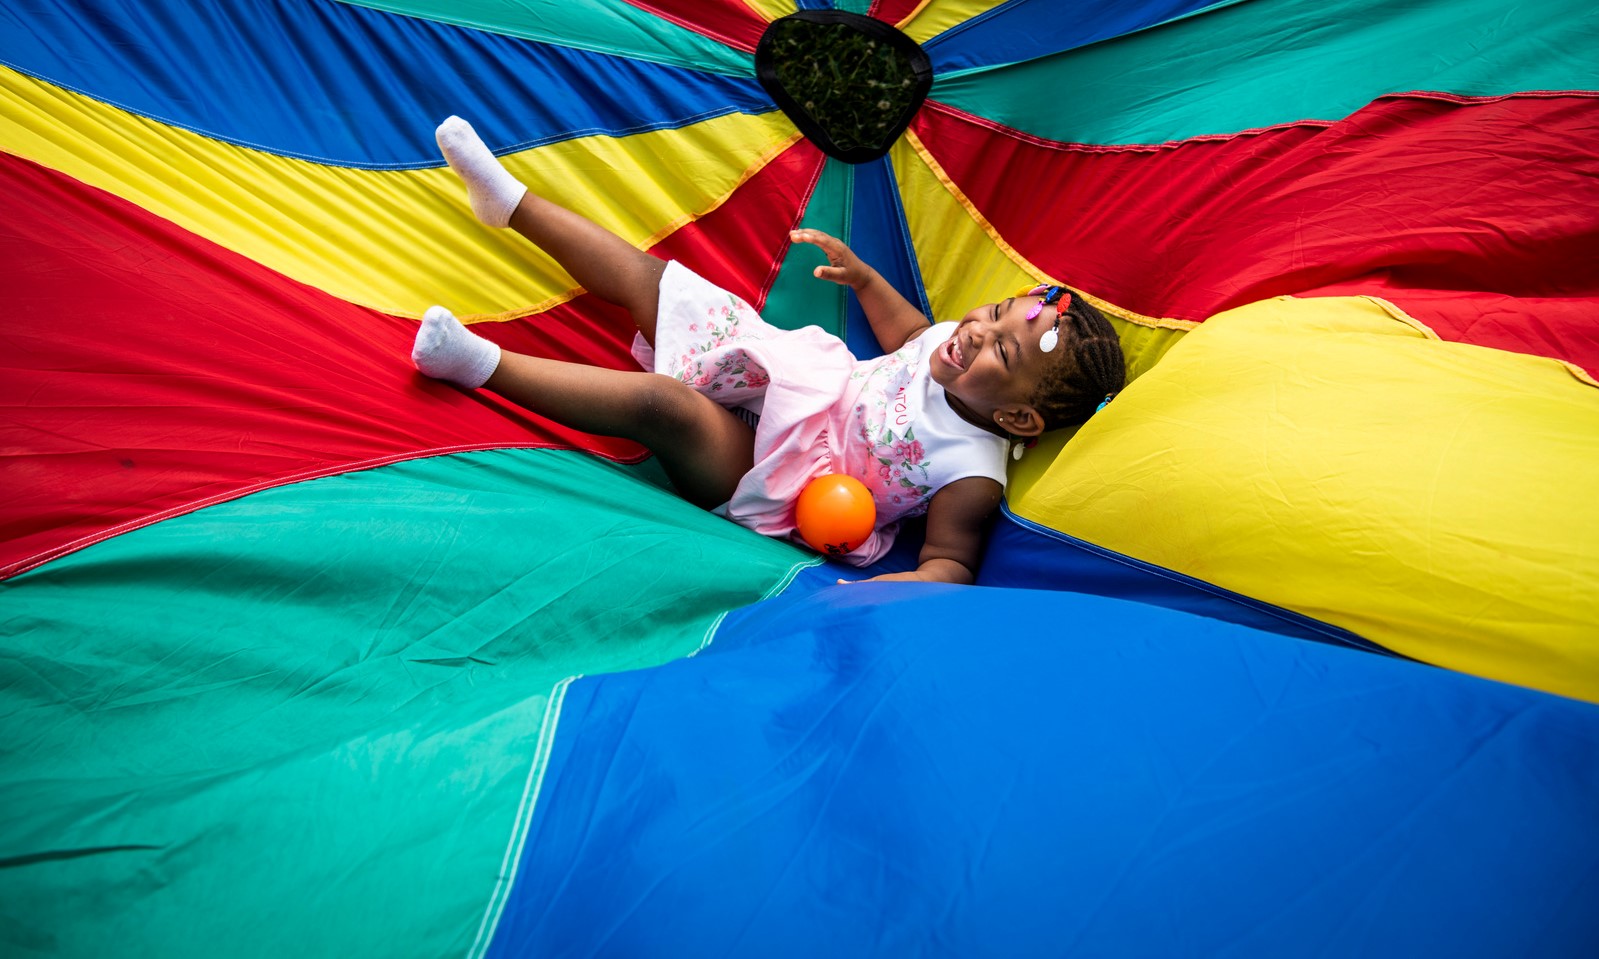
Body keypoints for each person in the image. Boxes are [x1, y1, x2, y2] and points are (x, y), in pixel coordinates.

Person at [413, 117, 1125, 584]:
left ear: (1023, 421)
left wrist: (884, 595)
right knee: (663, 285)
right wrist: (867, 278)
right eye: (996, 312)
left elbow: (948, 561)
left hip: (781, 478)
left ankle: (480, 365)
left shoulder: (972, 470)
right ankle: (510, 203)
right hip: (789, 377)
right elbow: (912, 334)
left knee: (666, 408)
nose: (977, 330)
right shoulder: (948, 342)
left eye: (1003, 349)